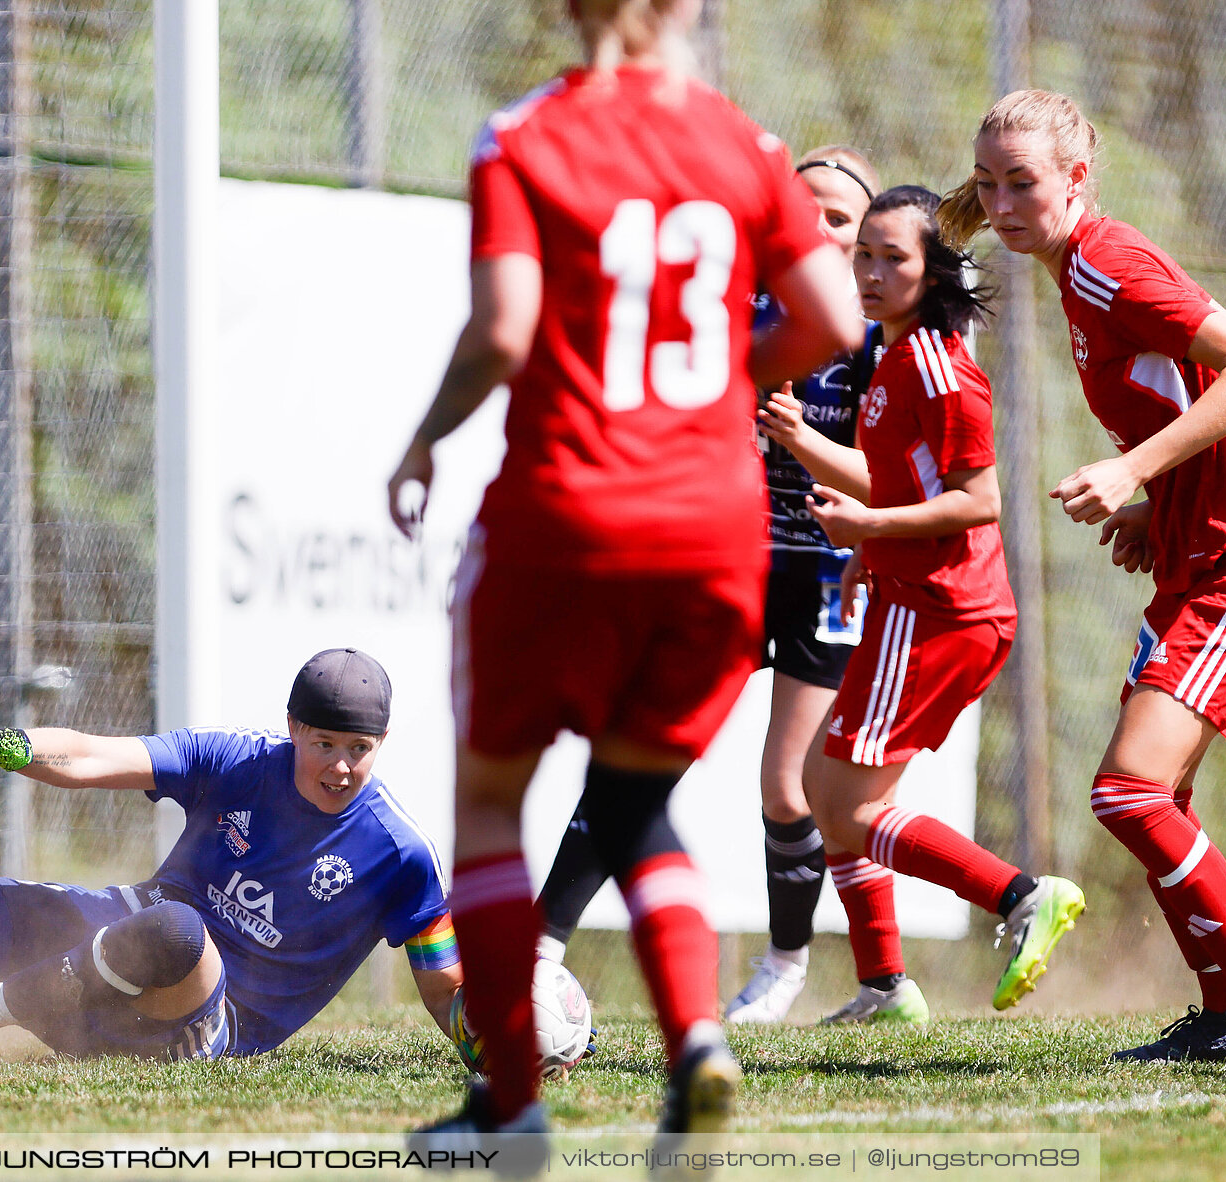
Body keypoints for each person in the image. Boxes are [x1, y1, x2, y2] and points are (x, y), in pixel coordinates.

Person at [385, 0, 862, 1159]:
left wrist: (424, 437)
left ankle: (511, 1107)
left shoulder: (526, 135)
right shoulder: (742, 145)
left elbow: (503, 333)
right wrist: (710, 382)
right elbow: (833, 317)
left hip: (565, 514)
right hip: (711, 528)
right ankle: (695, 1041)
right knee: (639, 798)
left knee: (494, 805)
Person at [939, 89, 1226, 1079]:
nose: (1002, 201)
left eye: (1022, 181)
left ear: (1077, 177)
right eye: (987, 184)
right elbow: (1197, 398)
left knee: (1130, 791)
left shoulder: (1109, 264)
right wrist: (1155, 514)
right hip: (1204, 551)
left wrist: (1133, 471)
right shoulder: (1075, 273)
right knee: (1157, 796)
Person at [0, 649, 466, 1067]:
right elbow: (91, 757)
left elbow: (444, 989)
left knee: (175, 933)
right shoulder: (238, 762)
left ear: (382, 746)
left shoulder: (400, 851)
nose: (338, 765)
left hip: (201, 1020)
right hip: (104, 953)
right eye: (324, 743)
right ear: (293, 727)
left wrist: (496, 1039)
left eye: (357, 750)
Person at [530, 145, 885, 1029]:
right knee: (641, 749)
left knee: (786, 786)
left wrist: (803, 443)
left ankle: (785, 965)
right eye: (805, 210)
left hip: (827, 573)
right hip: (724, 559)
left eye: (839, 217)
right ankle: (537, 949)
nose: (819, 228)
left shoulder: (887, 331)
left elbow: (899, 477)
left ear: (869, 233)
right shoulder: (738, 305)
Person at [759, 185, 1085, 1025]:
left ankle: (1020, 895)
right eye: (863, 253)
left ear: (934, 271)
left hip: (944, 609)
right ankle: (883, 988)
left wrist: (869, 524)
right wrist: (868, 551)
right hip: (910, 596)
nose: (868, 271)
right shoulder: (895, 358)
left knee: (851, 805)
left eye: (891, 257)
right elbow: (912, 484)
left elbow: (980, 501)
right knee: (828, 789)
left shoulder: (939, 367)